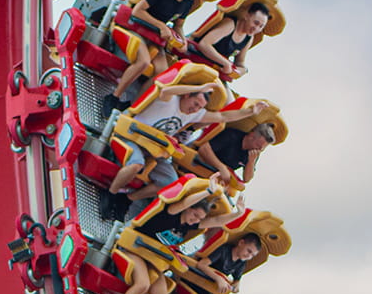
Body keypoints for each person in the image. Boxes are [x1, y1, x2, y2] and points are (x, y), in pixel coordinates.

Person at [99, 174, 246, 294]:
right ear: (189, 208)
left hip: (154, 260)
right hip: (135, 250)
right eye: (195, 214)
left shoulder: (189, 226)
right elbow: (183, 204)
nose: (196, 219)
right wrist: (208, 190)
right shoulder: (172, 213)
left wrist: (237, 213)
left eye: (200, 218)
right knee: (142, 284)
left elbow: (216, 221)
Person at [101, 81, 266, 220]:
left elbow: (223, 117)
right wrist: (197, 88)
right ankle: (110, 194)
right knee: (136, 164)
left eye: (199, 107)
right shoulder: (169, 100)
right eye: (195, 104)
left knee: (170, 183)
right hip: (133, 137)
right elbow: (164, 88)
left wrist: (250, 112)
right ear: (187, 96)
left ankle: (126, 199)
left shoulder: (194, 114)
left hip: (156, 149)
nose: (195, 109)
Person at [102, 0, 211, 117]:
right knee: (144, 62)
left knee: (162, 74)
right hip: (136, 27)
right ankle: (114, 97)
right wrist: (161, 25)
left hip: (154, 37)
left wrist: (182, 39)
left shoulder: (187, 3)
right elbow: (137, 11)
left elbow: (179, 25)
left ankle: (132, 108)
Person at [191, 2, 271, 81]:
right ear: (247, 15)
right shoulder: (230, 24)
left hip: (214, 70)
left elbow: (240, 62)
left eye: (261, 26)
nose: (256, 28)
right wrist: (225, 63)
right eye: (255, 23)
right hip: (193, 57)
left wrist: (243, 70)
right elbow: (204, 44)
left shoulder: (249, 38)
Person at [197, 122, 275, 185]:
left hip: (218, 179)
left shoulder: (253, 153)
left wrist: (251, 162)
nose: (259, 150)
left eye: (262, 149)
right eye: (258, 145)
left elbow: (247, 178)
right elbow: (204, 149)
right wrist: (222, 167)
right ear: (252, 135)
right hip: (201, 165)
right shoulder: (231, 135)